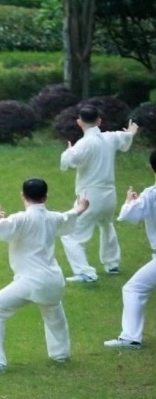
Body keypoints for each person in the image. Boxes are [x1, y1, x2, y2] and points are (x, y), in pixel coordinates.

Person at [0, 179, 88, 372]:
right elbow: (68, 217)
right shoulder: (52, 217)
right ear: (46, 197)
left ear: (22, 196)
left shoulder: (21, 219)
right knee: (53, 313)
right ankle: (60, 354)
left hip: (32, 280)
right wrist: (80, 208)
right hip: (54, 279)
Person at [58, 106, 139, 282]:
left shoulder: (85, 143)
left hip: (89, 195)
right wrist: (131, 132)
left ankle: (84, 272)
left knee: (70, 234)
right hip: (109, 195)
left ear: (79, 122)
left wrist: (69, 150)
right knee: (106, 224)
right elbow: (125, 137)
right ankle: (112, 263)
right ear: (99, 121)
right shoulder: (109, 137)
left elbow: (68, 161)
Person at [104, 149, 156, 350]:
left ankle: (130, 337)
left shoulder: (151, 194)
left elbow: (128, 215)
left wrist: (129, 202)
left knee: (134, 288)